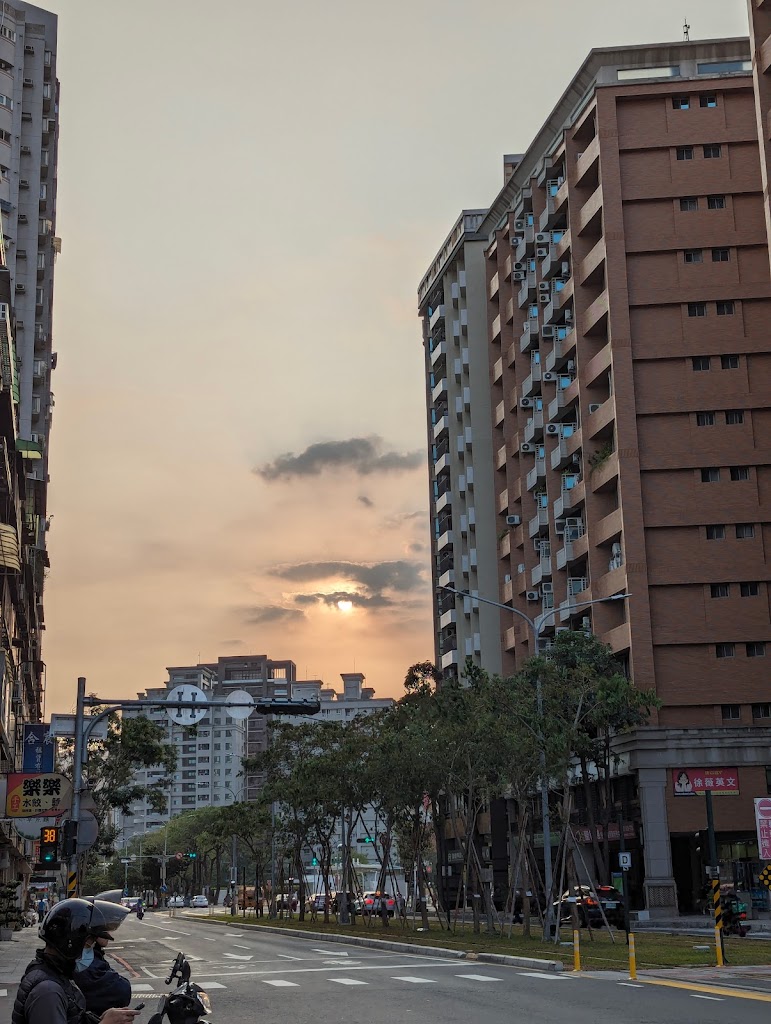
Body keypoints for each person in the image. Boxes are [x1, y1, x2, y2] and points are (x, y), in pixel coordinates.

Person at [12, 897, 139, 1024]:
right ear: (71, 943)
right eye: (88, 945)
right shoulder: (48, 992)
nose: (90, 951)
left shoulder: (57, 976)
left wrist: (100, 1019)